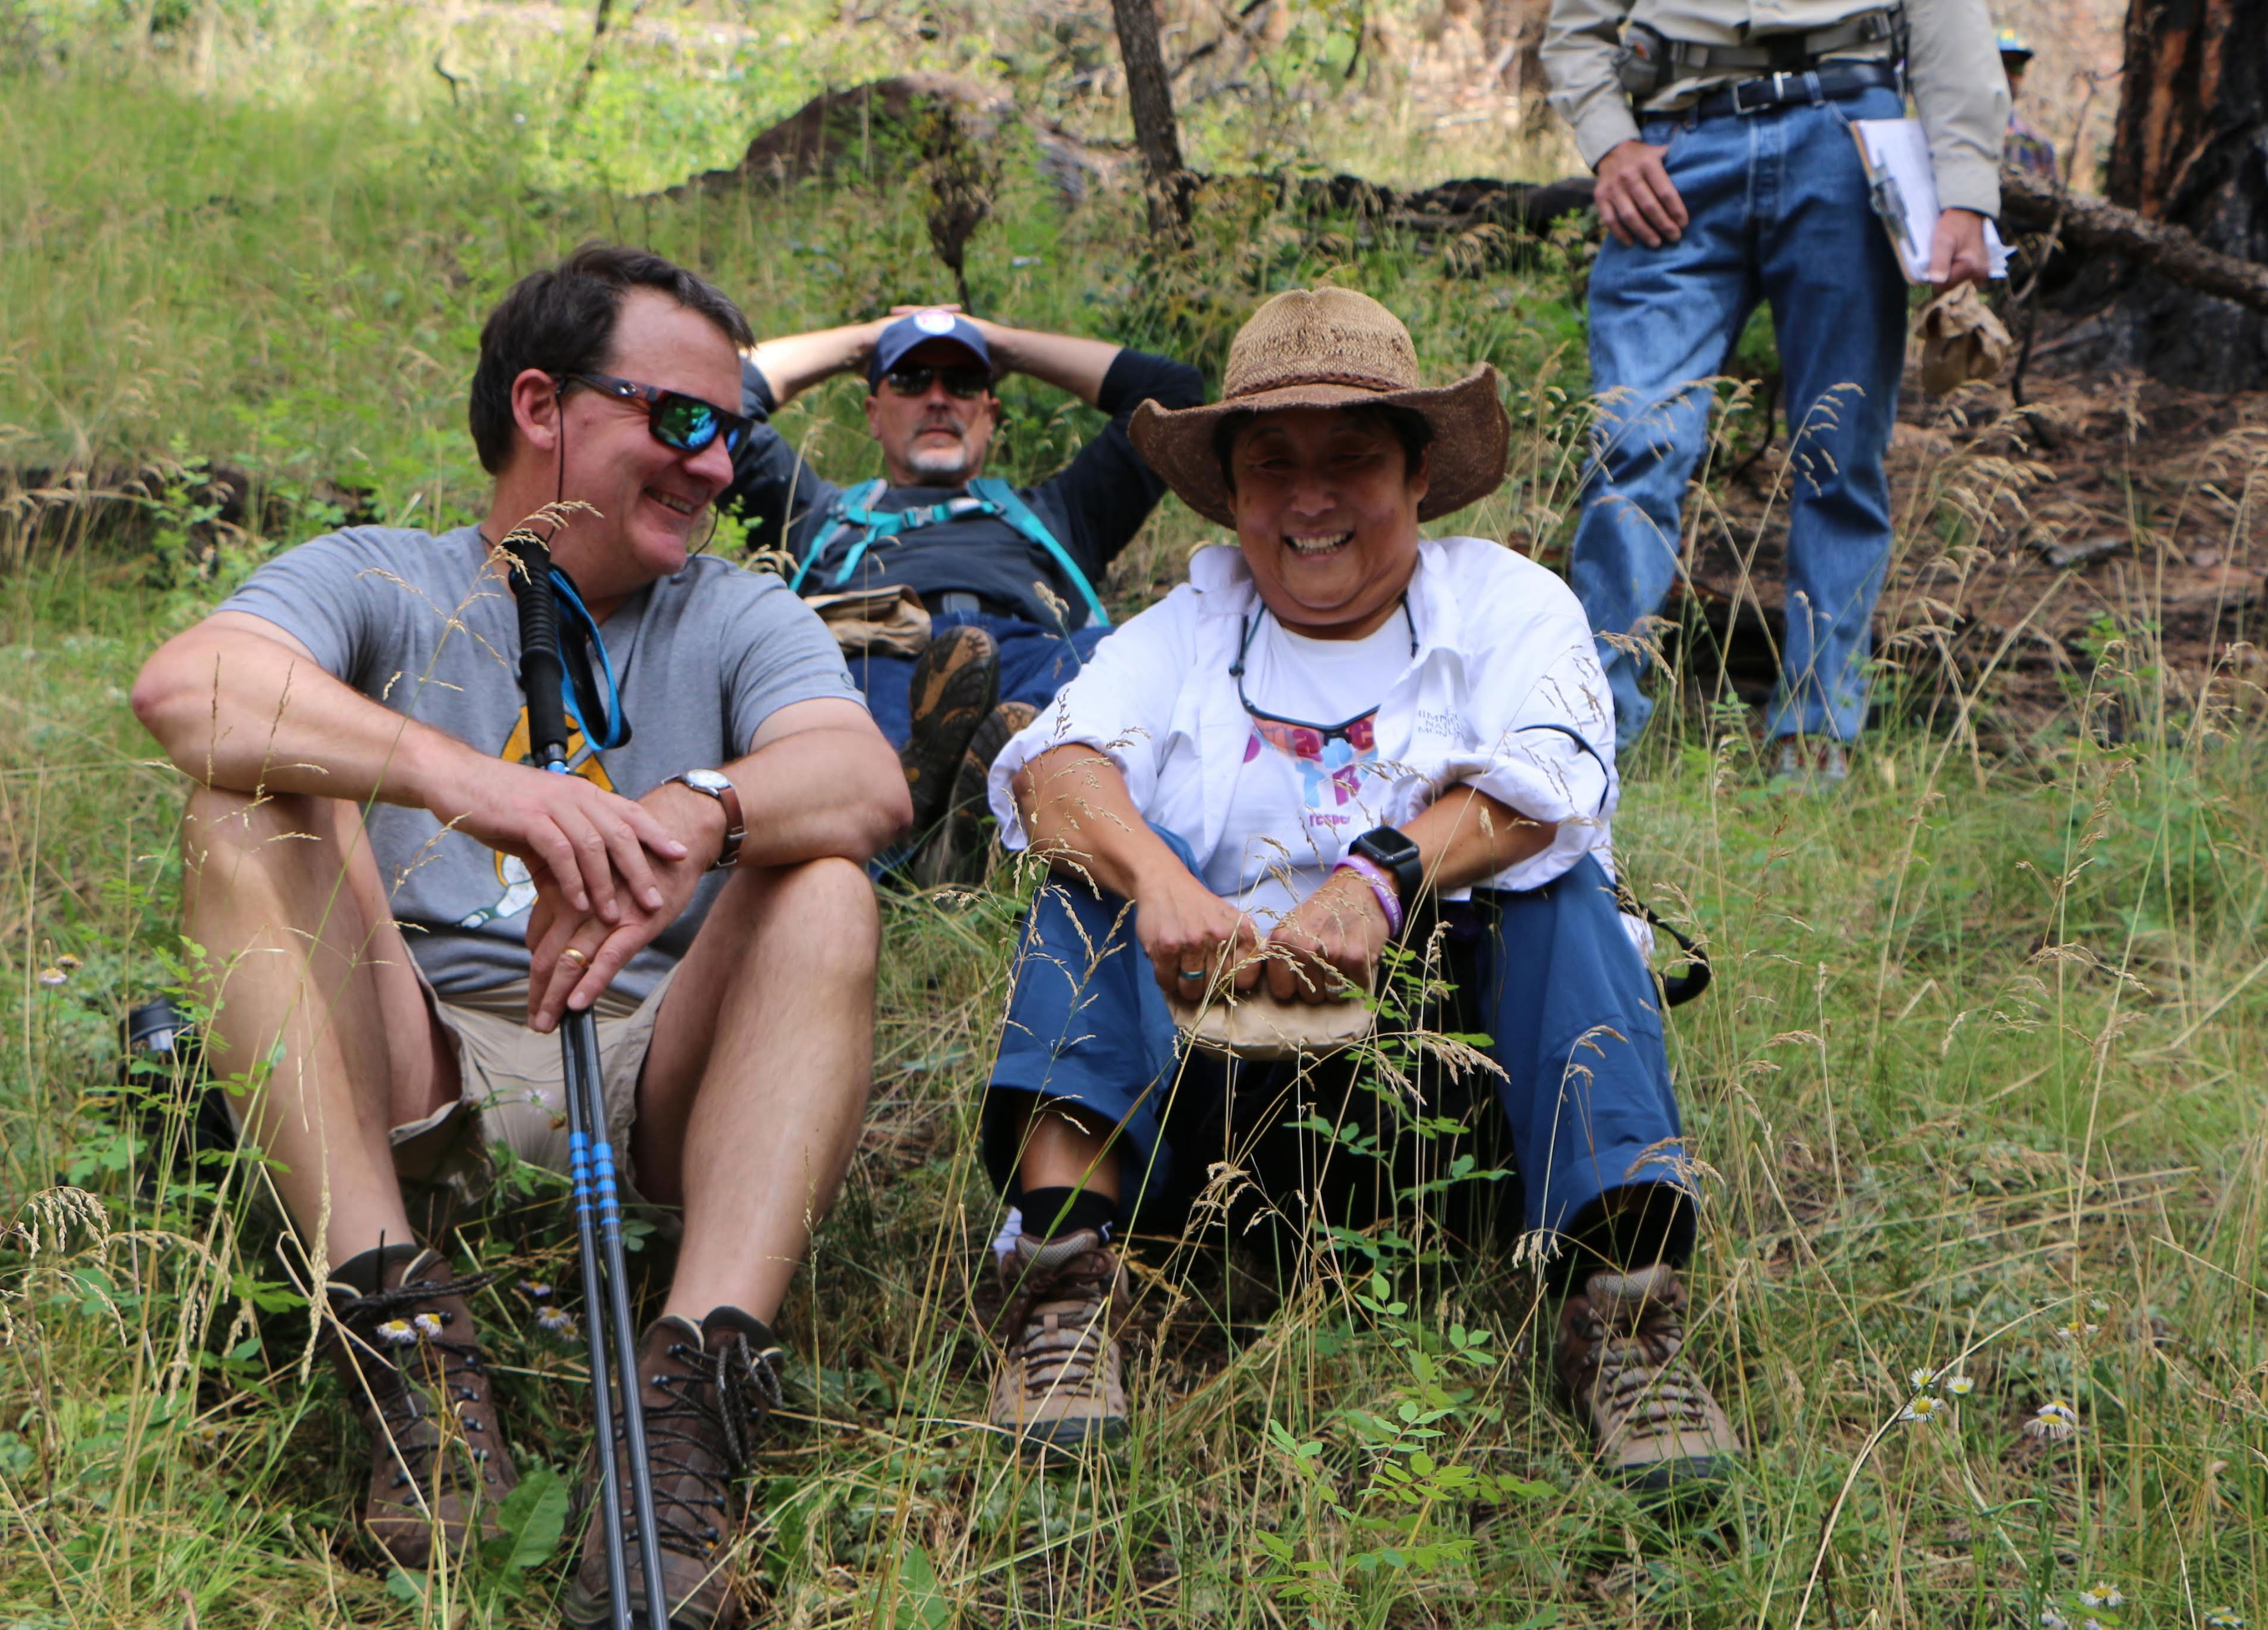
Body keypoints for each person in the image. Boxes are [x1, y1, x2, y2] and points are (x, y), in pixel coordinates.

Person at [129, 244, 906, 1622]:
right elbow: (188, 686)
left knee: (827, 873)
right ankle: (404, 1331)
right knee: (239, 811)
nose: (716, 464)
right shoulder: (384, 576)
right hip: (415, 1063)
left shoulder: (733, 608)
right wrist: (469, 779)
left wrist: (691, 817)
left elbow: (864, 780)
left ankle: (688, 1398)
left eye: (730, 428)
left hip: (657, 1065)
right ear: (542, 407)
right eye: (677, 419)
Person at [967, 288, 1732, 1489]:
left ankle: (1626, 1316)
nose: (1310, 499)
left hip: (1455, 1100)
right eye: (1272, 465)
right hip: (1217, 1102)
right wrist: (1162, 881)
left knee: (1558, 889)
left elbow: (1551, 781)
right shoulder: (1189, 624)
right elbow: (1054, 771)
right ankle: (1063, 1287)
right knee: (1089, 876)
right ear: (1231, 492)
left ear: (1417, 476)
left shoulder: (1507, 603)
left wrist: (1380, 884)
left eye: (1352, 458)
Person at [1545, 0, 2007, 780]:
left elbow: (1945, 17)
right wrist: (1610, 142)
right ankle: (1589, 730)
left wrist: (1964, 188)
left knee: (1841, 448)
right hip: (1674, 146)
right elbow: (1575, 28)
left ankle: (1816, 729)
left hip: (1848, 137)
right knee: (1634, 440)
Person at [723, 308, 1204, 876]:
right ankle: (964, 812)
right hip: (880, 652)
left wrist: (1003, 343)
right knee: (832, 690)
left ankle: (941, 818)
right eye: (909, 379)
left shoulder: (1056, 512)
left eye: (963, 382)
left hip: (1029, 657)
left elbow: (1172, 393)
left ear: (989, 414)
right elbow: (721, 398)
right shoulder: (819, 512)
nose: (937, 398)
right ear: (872, 414)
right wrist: (861, 342)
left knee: (1108, 654)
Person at [1998, 30, 2060, 179]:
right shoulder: (1958, 134)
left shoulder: (2039, 148)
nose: (2007, 75)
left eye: (2016, 66)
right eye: (2000, 64)